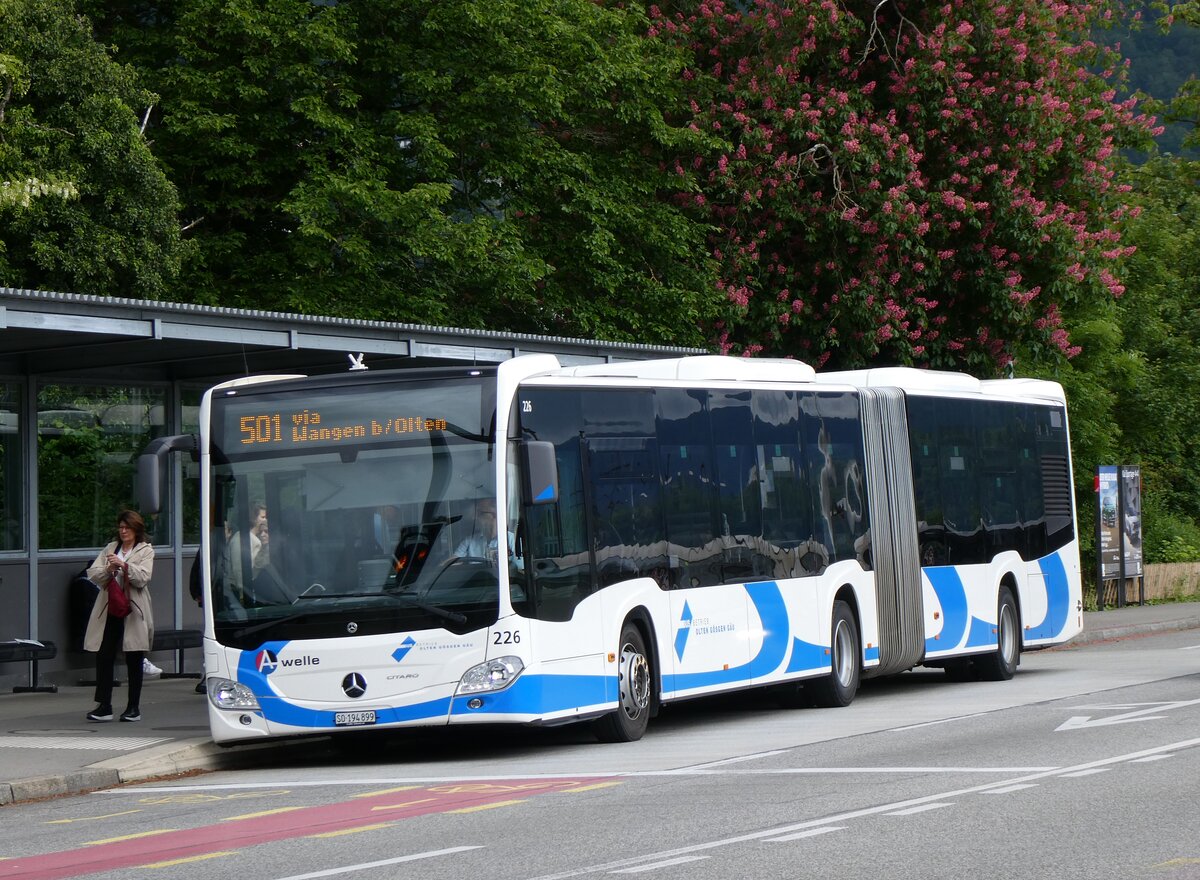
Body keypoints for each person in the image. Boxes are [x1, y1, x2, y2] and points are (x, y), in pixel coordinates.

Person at [84, 510, 155, 723]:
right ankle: (104, 705)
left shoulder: (146, 550)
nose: (123, 531)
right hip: (110, 606)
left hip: (133, 608)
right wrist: (109, 567)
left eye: (127, 527)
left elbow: (143, 577)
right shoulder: (110, 548)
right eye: (121, 527)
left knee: (134, 655)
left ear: (136, 530)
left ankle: (133, 707)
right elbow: (93, 574)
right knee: (104, 654)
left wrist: (124, 565)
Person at [454, 499, 521, 569]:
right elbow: (452, 561)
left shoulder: (512, 540)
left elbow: (520, 570)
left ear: (494, 514)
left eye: (480, 513)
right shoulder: (469, 541)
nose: (474, 517)